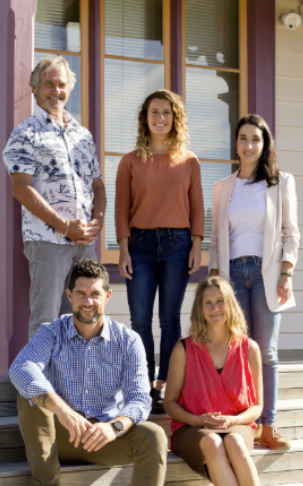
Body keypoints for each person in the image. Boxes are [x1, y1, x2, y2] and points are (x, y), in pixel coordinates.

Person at [9, 259, 168, 486]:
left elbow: (139, 398)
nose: (87, 301)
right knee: (30, 394)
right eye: (80, 293)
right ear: (69, 295)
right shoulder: (51, 332)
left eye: (94, 293)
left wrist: (114, 428)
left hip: (104, 439)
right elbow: (21, 367)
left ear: (107, 296)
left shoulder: (128, 341)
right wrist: (63, 410)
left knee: (155, 435)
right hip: (63, 436)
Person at [163, 276, 276, 486]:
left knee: (234, 443)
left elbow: (258, 407)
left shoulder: (249, 348)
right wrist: (199, 421)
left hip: (237, 425)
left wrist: (234, 421)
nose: (215, 309)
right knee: (215, 442)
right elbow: (170, 403)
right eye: (208, 303)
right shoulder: (184, 348)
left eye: (220, 302)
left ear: (231, 305)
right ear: (199, 309)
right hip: (193, 429)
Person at [209, 114, 300, 450]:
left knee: (266, 352)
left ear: (265, 144)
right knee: (236, 352)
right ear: (236, 144)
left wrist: (287, 271)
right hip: (232, 277)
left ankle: (269, 426)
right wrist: (215, 283)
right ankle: (242, 423)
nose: (249, 145)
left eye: (256, 139)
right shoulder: (223, 188)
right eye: (243, 138)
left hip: (267, 274)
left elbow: (291, 232)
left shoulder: (281, 182)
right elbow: (217, 240)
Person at [3, 55, 107, 340]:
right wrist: (64, 226)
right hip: (47, 243)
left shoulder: (83, 136)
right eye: (48, 84)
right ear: (34, 89)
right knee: (46, 322)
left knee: (86, 318)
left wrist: (97, 222)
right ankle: (38, 386)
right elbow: (21, 188)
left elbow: (97, 186)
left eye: (61, 85)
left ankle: (75, 384)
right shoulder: (24, 134)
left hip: (85, 245)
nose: (56, 91)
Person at [115, 90, 205, 412]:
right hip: (139, 247)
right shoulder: (129, 162)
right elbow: (121, 210)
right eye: (155, 112)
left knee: (169, 320)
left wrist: (197, 245)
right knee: (140, 320)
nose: (160, 118)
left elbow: (197, 208)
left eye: (167, 113)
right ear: (145, 118)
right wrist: (123, 251)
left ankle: (166, 385)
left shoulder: (189, 160)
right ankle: (142, 384)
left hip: (178, 246)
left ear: (175, 118)